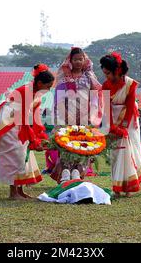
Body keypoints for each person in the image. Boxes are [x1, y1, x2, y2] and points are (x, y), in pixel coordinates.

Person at [0, 63, 54, 200]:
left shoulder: (37, 95)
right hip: (8, 123)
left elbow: (35, 119)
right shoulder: (26, 91)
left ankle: (20, 190)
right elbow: (23, 118)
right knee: (14, 154)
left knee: (22, 154)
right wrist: (34, 140)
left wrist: (39, 137)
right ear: (39, 83)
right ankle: (13, 192)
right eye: (48, 87)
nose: (49, 90)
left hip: (19, 123)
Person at [51, 47, 102, 183]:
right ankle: (65, 174)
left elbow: (95, 97)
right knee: (66, 144)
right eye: (75, 59)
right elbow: (59, 99)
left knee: (82, 144)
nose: (78, 62)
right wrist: (66, 114)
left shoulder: (89, 77)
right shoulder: (64, 77)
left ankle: (78, 173)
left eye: (81, 59)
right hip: (66, 116)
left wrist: (92, 115)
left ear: (84, 60)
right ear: (70, 61)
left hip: (85, 117)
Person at [101, 52, 141, 197]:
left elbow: (130, 106)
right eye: (105, 73)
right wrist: (112, 127)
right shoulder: (106, 85)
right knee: (115, 152)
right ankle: (117, 186)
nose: (106, 76)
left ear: (117, 71)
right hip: (112, 120)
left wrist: (123, 127)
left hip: (129, 121)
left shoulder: (130, 84)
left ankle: (129, 187)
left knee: (130, 151)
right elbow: (106, 108)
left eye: (108, 73)